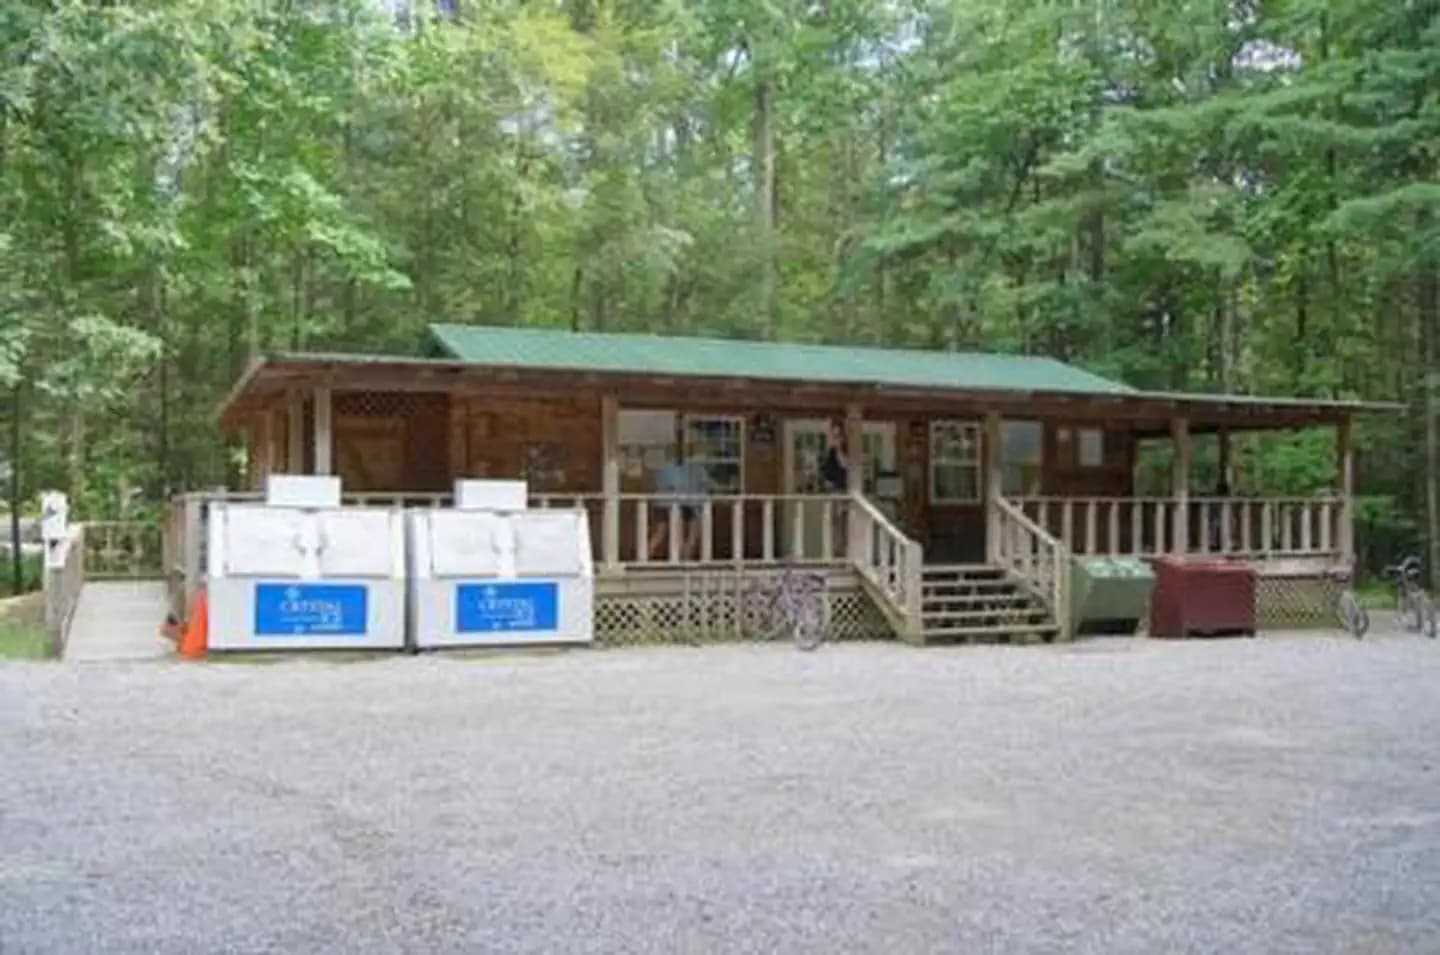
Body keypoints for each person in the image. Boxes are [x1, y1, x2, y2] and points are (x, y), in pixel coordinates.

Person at [648, 451, 709, 559]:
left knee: (689, 528)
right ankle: (679, 554)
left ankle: (683, 554)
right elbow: (674, 487)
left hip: (680, 503)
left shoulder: (690, 470)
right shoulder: (670, 470)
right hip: (672, 503)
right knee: (666, 531)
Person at [820, 419, 849, 493]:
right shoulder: (832, 444)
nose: (833, 432)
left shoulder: (842, 444)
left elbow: (844, 463)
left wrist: (838, 448)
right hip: (832, 480)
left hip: (839, 481)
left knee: (838, 498)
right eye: (832, 429)